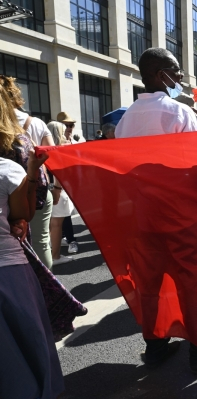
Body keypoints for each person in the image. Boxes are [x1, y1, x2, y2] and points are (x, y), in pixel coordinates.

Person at [114, 47, 197, 373]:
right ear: (161, 75)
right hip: (180, 216)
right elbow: (194, 166)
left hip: (141, 217)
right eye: (176, 73)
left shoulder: (125, 119)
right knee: (193, 282)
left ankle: (156, 344)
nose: (180, 80)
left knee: (149, 284)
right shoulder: (178, 113)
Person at [0, 92, 63, 397]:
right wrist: (34, 174)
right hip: (9, 268)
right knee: (29, 336)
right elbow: (24, 212)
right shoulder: (7, 169)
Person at [0, 75, 54, 268]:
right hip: (31, 190)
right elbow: (51, 155)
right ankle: (44, 285)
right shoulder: (35, 124)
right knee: (40, 241)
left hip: (9, 197)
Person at [46, 121, 76, 265]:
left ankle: (50, 253)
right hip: (59, 190)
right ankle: (55, 256)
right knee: (57, 224)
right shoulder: (58, 150)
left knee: (51, 224)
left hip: (47, 189)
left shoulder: (44, 149)